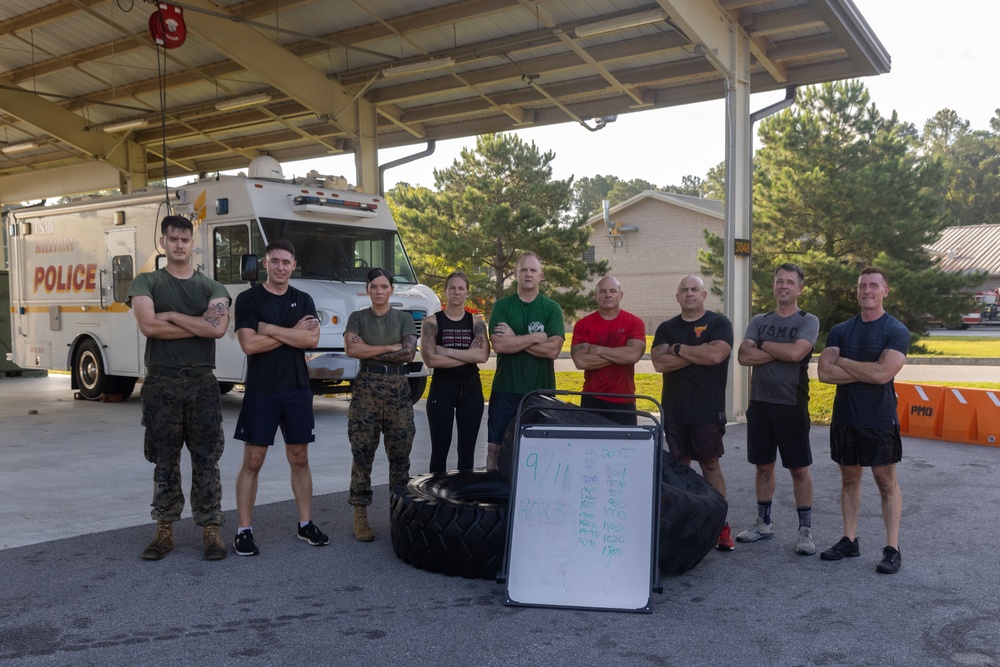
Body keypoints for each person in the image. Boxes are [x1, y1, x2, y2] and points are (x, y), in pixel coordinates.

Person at [126, 215, 230, 561]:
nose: (180, 245)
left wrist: (171, 316)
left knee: (206, 459)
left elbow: (216, 329)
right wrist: (197, 323)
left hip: (202, 384)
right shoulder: (146, 282)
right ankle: (164, 530)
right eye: (173, 239)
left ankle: (211, 529)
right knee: (164, 461)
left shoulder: (212, 288)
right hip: (162, 383)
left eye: (185, 239)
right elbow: (148, 326)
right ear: (163, 242)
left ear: (192, 243)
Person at [231, 240, 329, 557]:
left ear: (294, 264)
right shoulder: (248, 300)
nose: (280, 267)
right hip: (262, 390)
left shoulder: (303, 299)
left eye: (286, 262)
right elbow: (249, 345)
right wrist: (291, 333)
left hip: (297, 389)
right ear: (265, 263)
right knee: (253, 461)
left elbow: (311, 338)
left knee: (299, 458)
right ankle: (244, 531)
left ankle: (305, 524)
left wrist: (269, 328)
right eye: (274, 261)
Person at [817, 267, 909, 574]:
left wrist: (843, 361)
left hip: (880, 420)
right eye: (862, 286)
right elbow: (823, 373)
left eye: (873, 285)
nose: (866, 290)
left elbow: (884, 374)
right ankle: (849, 539)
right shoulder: (841, 329)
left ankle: (892, 548)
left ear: (885, 291)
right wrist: (866, 369)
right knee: (849, 479)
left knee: (886, 482)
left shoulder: (895, 330)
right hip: (846, 418)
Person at [735, 263, 820, 556]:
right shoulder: (759, 319)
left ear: (800, 288)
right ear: (773, 286)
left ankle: (805, 530)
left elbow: (797, 353)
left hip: (791, 404)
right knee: (763, 466)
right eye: (778, 281)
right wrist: (779, 351)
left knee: (798, 468)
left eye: (789, 282)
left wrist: (765, 345)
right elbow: (744, 356)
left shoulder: (808, 320)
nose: (783, 286)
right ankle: (764, 523)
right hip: (760, 404)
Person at [651, 275, 735, 551]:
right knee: (679, 470)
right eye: (684, 290)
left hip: (707, 411)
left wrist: (677, 349)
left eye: (694, 289)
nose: (689, 293)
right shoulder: (666, 327)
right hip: (675, 410)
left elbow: (715, 356)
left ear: (704, 294)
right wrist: (696, 353)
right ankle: (684, 525)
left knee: (710, 465)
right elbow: (659, 364)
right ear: (677, 297)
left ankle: (721, 525)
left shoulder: (719, 323)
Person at [344, 268, 417, 541]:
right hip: (366, 390)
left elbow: (408, 353)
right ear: (367, 289)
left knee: (400, 456)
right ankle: (360, 516)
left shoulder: (403, 318)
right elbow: (352, 350)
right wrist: (390, 348)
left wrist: (370, 348)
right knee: (362, 453)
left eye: (384, 286)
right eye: (374, 286)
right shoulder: (358, 318)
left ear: (391, 290)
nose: (379, 291)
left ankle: (398, 514)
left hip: (398, 391)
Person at [486, 252, 565, 470]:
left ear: (541, 275)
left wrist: (515, 339)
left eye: (533, 270)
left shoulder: (551, 308)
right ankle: (495, 498)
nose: (528, 274)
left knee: (541, 448)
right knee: (495, 448)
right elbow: (500, 346)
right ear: (515, 274)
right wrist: (535, 337)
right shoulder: (502, 307)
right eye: (523, 270)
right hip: (505, 389)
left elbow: (553, 350)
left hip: (541, 392)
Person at [421, 272, 490, 473]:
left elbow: (482, 356)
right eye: (452, 288)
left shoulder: (476, 323)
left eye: (461, 288)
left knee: (467, 451)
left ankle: (463, 500)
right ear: (445, 291)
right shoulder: (431, 322)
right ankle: (436, 499)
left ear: (467, 293)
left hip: (471, 388)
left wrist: (446, 351)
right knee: (439, 449)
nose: (456, 292)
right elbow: (431, 359)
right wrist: (467, 353)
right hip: (442, 388)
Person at [570, 276, 647, 425]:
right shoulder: (583, 324)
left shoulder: (634, 322)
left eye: (613, 291)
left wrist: (598, 349)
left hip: (624, 399)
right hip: (591, 399)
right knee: (590, 447)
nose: (608, 295)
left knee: (625, 448)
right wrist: (620, 355)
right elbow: (581, 361)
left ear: (621, 295)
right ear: (596, 296)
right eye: (603, 291)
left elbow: (633, 355)